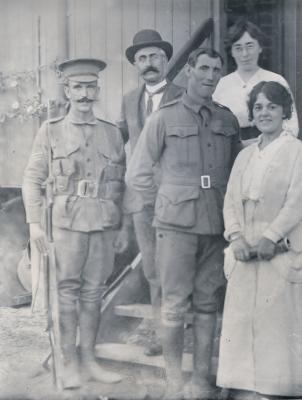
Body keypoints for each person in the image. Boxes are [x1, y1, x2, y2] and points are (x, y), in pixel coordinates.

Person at [126, 48, 240, 400]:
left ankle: (200, 381)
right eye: (203, 68)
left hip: (214, 226)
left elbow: (237, 171)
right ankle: (174, 383)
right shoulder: (164, 117)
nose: (209, 75)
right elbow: (138, 174)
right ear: (189, 71)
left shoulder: (227, 119)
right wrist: (165, 200)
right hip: (175, 227)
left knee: (207, 304)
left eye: (216, 69)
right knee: (174, 304)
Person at [22, 58, 125, 389]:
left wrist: (121, 226)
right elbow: (31, 179)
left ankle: (89, 360)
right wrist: (34, 224)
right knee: (66, 291)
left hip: (104, 221)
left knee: (94, 291)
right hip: (65, 223)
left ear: (98, 90)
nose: (84, 94)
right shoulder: (50, 130)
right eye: (77, 87)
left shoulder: (112, 133)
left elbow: (120, 185)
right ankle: (67, 363)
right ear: (67, 90)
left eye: (90, 87)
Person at [217, 81, 302, 400]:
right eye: (258, 107)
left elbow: (297, 201)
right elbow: (231, 200)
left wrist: (271, 236)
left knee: (276, 322)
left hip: (278, 252)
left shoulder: (296, 152)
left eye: (272, 106)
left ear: (284, 112)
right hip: (244, 252)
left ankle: (276, 389)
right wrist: (235, 236)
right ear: (251, 114)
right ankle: (243, 386)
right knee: (242, 319)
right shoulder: (245, 154)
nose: (264, 113)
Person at [116, 29, 183, 356]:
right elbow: (120, 144)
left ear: (167, 59)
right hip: (141, 199)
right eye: (141, 58)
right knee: (153, 269)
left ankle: (180, 329)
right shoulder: (129, 100)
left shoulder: (185, 95)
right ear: (135, 65)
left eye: (155, 56)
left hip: (176, 198)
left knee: (178, 266)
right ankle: (161, 333)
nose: (149, 63)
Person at [213, 19, 299, 140]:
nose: (245, 54)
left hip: (271, 148)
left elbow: (291, 125)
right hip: (232, 150)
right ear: (231, 52)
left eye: (250, 46)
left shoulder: (275, 80)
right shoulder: (221, 85)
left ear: (260, 47)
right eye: (238, 48)